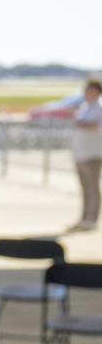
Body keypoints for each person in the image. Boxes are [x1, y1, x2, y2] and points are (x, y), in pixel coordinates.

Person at [68, 78, 102, 232]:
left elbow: (95, 126)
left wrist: (83, 124)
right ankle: (84, 217)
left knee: (92, 188)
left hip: (93, 154)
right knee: (84, 188)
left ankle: (91, 218)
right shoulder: (85, 106)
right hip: (81, 154)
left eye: (89, 89)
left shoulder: (99, 107)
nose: (86, 92)